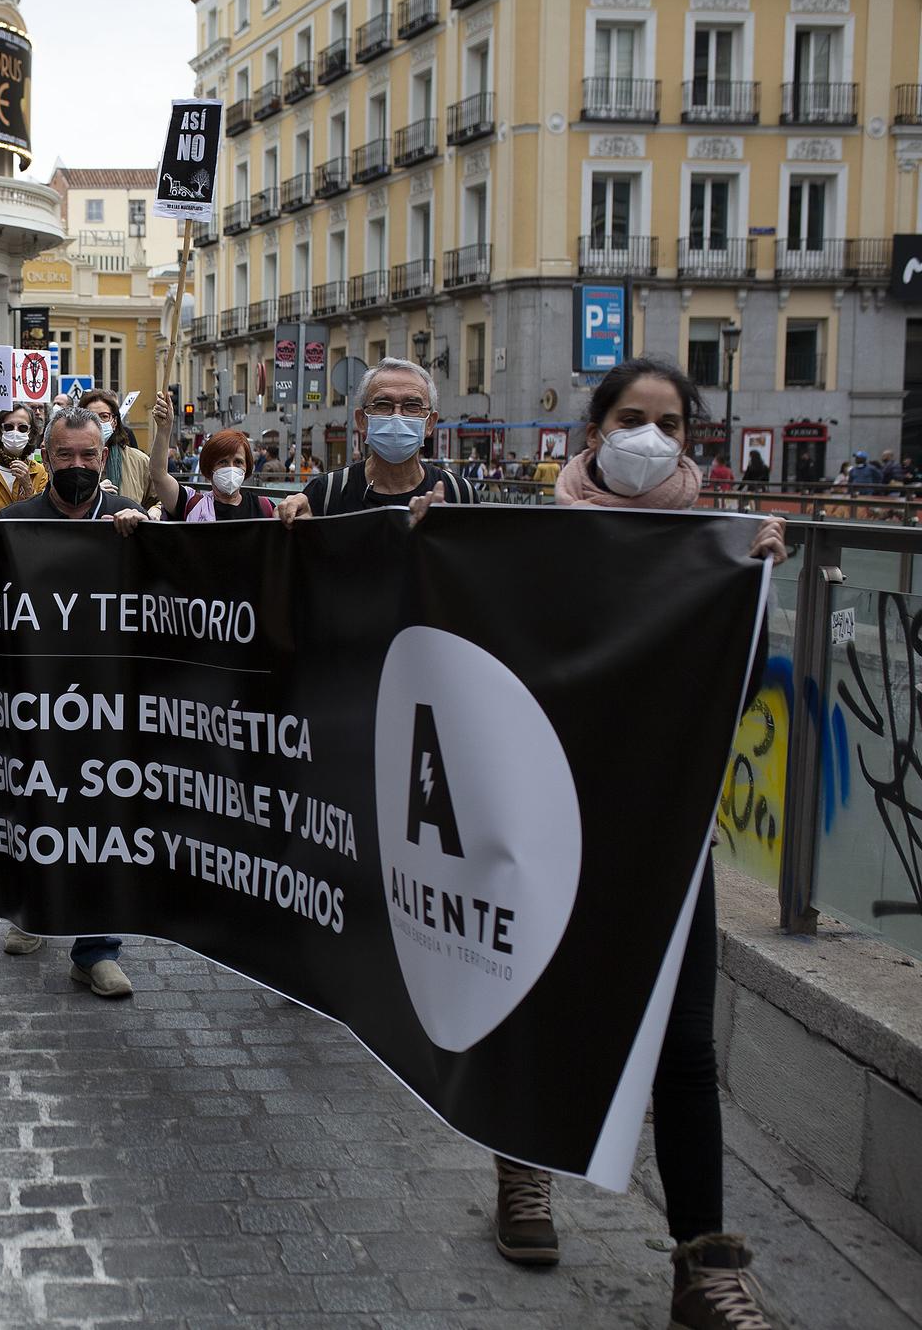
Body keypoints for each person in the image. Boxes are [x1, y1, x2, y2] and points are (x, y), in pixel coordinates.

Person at [484, 357, 785, 1330]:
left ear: (686, 439)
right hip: (551, 820)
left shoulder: (725, 553)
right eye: (627, 416)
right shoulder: (536, 545)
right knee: (539, 999)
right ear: (593, 430)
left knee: (685, 1047)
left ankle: (701, 1266)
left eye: (664, 420)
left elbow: (729, 702)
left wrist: (749, 584)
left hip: (665, 830)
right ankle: (522, 1165)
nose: (644, 434)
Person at [0, 406, 149, 999]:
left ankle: (97, 950)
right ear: (46, 459)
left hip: (107, 705)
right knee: (35, 808)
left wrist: (142, 534)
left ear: (104, 458)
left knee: (103, 818)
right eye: (64, 455)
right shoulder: (15, 522)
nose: (76, 466)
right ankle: (34, 913)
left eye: (88, 456)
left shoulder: (126, 524)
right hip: (33, 704)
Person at [276, 358, 477, 524]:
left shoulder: (459, 494)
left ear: (430, 423)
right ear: (362, 421)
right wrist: (294, 526)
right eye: (383, 405)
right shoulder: (326, 493)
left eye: (412, 406)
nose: (397, 416)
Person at [146, 392, 274, 521]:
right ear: (209, 467)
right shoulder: (190, 504)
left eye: (238, 462)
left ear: (247, 467)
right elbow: (158, 474)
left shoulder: (264, 507)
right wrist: (164, 429)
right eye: (223, 462)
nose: (231, 468)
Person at [78, 389, 150, 505]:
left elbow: (160, 499)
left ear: (114, 422)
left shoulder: (139, 461)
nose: (98, 422)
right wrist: (92, 494)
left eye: (104, 416)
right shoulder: (69, 460)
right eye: (90, 417)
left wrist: (154, 512)